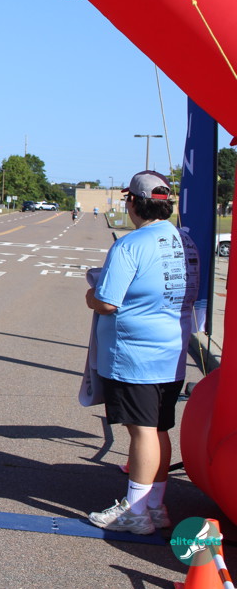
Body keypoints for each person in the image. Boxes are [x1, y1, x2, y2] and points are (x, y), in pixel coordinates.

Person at [85, 170, 192, 535]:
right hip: (172, 351)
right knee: (159, 428)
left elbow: (107, 302)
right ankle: (155, 506)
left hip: (135, 355)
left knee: (141, 431)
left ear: (133, 202)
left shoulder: (130, 245)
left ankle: (134, 511)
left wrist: (91, 294)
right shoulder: (185, 242)